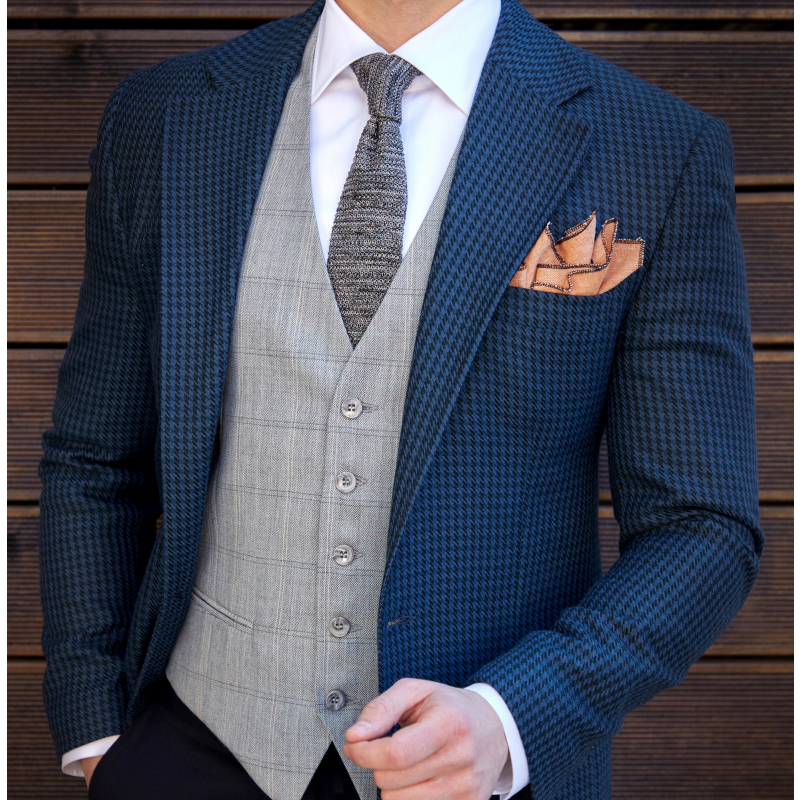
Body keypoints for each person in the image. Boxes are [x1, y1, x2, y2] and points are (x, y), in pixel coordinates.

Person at [38, 0, 763, 797]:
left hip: (477, 774)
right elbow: (96, 456)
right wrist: (98, 732)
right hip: (191, 743)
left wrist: (511, 717)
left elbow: (700, 526)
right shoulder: (164, 114)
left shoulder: (656, 145)